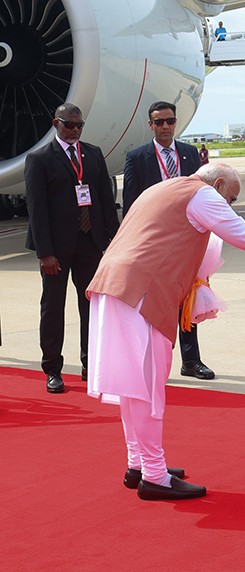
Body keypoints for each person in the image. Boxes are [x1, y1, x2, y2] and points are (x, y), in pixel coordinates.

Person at [86, 163, 245, 501]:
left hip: (115, 286)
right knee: (147, 389)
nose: (229, 207)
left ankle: (141, 464)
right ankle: (154, 476)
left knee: (133, 387)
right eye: (231, 199)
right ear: (219, 184)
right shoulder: (203, 195)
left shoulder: (165, 187)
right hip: (140, 293)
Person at [24, 103, 119, 394]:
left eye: (79, 125)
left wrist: (113, 241)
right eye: (69, 125)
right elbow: (36, 210)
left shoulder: (92, 154)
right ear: (56, 123)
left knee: (91, 306)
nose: (75, 130)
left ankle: (90, 363)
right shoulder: (40, 159)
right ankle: (52, 368)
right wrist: (45, 252)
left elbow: (105, 198)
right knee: (53, 308)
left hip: (89, 243)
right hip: (56, 247)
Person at [123, 101, 214, 381]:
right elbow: (131, 204)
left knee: (187, 298)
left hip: (187, 239)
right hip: (154, 242)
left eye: (170, 121)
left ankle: (191, 360)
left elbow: (202, 195)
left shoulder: (188, 154)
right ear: (150, 125)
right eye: (159, 122)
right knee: (153, 303)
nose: (165, 126)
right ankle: (149, 360)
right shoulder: (137, 157)